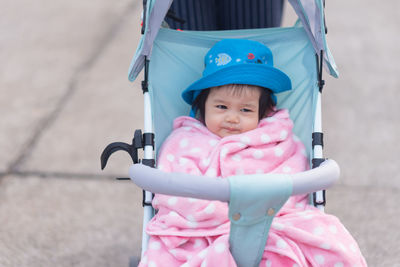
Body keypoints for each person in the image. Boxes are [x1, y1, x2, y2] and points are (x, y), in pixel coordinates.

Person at [138, 39, 366, 267]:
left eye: (245, 110)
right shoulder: (185, 141)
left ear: (263, 112)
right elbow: (173, 191)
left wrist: (253, 214)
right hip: (200, 227)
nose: (232, 117)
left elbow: (292, 174)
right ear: (202, 106)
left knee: (327, 241)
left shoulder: (276, 140)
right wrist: (219, 212)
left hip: (270, 221)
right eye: (221, 107)